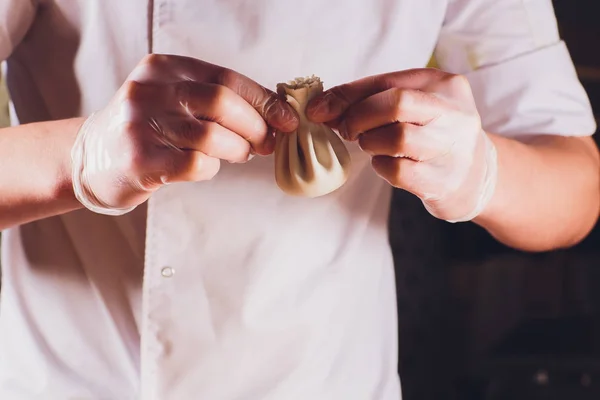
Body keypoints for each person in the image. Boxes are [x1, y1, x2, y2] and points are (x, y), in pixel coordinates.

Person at [0, 0, 598, 398]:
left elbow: (576, 187)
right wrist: (78, 156)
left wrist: (481, 171)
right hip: (73, 375)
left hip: (325, 376)